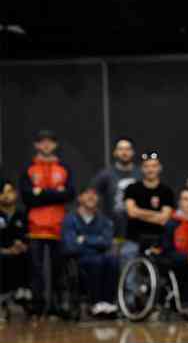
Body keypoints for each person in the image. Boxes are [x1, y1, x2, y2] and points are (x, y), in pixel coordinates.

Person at [19, 129, 76, 317]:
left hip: (58, 226)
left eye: (49, 142)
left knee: (58, 270)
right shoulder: (29, 168)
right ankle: (37, 305)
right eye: (42, 142)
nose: (46, 145)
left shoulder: (64, 168)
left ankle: (59, 305)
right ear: (36, 145)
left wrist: (41, 193)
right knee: (36, 270)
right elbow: (27, 196)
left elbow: (69, 194)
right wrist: (55, 193)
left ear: (55, 145)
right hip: (35, 226)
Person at [61, 188, 118, 318]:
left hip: (100, 257)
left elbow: (107, 242)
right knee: (96, 260)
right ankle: (95, 303)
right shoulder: (70, 219)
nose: (91, 197)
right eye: (87, 194)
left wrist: (84, 239)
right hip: (79, 260)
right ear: (79, 198)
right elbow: (70, 246)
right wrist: (96, 242)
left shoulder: (103, 220)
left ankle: (108, 303)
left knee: (112, 260)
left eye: (94, 194)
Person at [122, 152, 175, 256]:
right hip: (134, 240)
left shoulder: (166, 191)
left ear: (159, 168)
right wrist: (156, 215)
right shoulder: (131, 188)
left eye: (154, 166)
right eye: (147, 166)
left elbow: (164, 218)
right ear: (142, 169)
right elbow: (131, 212)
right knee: (127, 254)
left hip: (158, 240)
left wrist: (139, 212)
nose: (150, 170)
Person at [92, 136, 141, 241]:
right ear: (115, 152)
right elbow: (91, 196)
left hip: (137, 226)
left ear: (133, 152)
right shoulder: (105, 174)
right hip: (112, 228)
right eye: (121, 149)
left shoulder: (141, 174)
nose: (124, 152)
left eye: (128, 149)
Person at [0, 179, 31, 315]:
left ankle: (23, 294)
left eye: (9, 192)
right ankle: (4, 301)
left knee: (28, 256)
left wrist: (23, 245)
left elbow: (27, 236)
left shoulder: (22, 214)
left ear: (16, 194)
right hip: (2, 253)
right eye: (2, 193)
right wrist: (5, 250)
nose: (6, 195)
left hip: (19, 253)